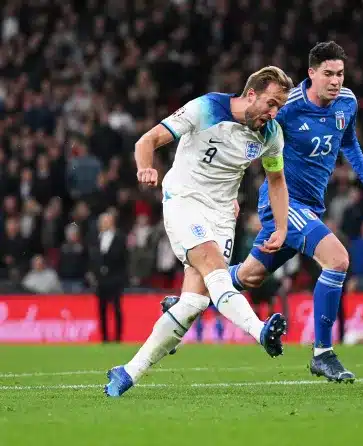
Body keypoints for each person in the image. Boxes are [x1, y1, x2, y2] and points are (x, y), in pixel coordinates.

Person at [178, 42, 363, 383]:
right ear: (311, 74)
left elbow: (348, 142)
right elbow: (246, 139)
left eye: (340, 74)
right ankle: (323, 354)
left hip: (309, 208)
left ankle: (185, 302)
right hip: (285, 205)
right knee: (337, 259)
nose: (335, 81)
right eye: (328, 74)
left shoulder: (347, 102)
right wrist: (229, 191)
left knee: (249, 277)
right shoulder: (287, 107)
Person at [104, 66, 294, 397]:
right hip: (184, 199)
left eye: (280, 107)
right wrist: (145, 167)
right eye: (271, 103)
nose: (275, 113)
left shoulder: (271, 134)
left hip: (221, 215)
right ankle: (260, 331)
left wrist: (280, 225)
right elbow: (147, 140)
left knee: (193, 304)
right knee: (214, 267)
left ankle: (128, 372)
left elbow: (276, 179)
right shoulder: (205, 108)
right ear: (251, 94)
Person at [88, 212, 127, 343]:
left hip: (115, 278)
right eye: (102, 221)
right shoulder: (96, 238)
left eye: (107, 221)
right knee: (102, 310)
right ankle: (104, 338)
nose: (104, 224)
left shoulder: (120, 237)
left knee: (116, 309)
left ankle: (117, 338)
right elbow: (93, 257)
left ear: (112, 222)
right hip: (101, 280)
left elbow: (123, 259)